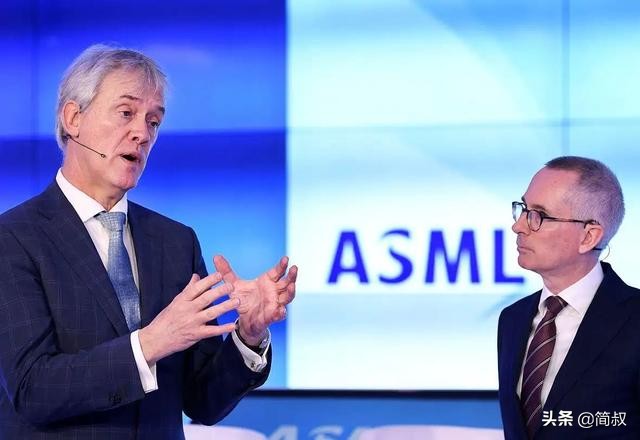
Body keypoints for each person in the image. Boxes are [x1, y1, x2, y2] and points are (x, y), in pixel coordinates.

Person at [0, 44, 297, 439]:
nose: (141, 134)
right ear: (73, 118)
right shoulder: (14, 238)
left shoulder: (175, 242)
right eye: (126, 113)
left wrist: (248, 334)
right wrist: (150, 343)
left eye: (153, 121)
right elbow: (32, 388)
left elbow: (203, 403)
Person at [497, 156, 640, 439]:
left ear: (588, 237)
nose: (519, 226)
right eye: (523, 209)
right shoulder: (512, 319)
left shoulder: (634, 320)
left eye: (539, 215)